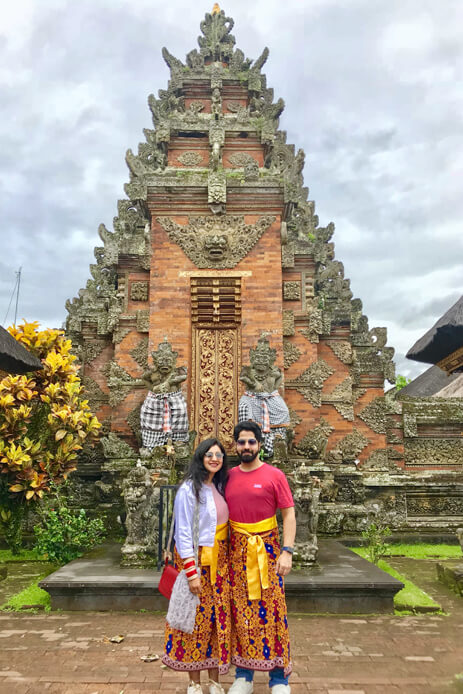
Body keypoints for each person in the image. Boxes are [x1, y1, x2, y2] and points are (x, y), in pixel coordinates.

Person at [225, 421, 296, 694]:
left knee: (274, 613)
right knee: (242, 613)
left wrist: (286, 552)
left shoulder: (274, 475)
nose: (246, 447)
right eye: (241, 442)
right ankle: (244, 675)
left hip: (267, 552)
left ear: (259, 444)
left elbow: (288, 514)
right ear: (235, 444)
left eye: (251, 442)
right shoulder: (227, 476)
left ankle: (279, 677)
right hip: (237, 554)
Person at [162, 438, 230, 694]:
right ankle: (194, 682)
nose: (215, 459)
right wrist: (192, 573)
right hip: (197, 560)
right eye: (210, 455)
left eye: (219, 455)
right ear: (200, 458)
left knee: (215, 622)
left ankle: (214, 681)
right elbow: (183, 534)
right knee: (193, 622)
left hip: (220, 562)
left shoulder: (221, 487)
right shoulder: (189, 489)